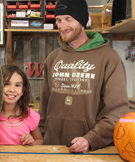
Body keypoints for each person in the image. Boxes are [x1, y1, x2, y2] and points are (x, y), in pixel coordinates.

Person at [38, 0, 129, 153]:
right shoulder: (53, 58)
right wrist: (41, 137)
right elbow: (44, 106)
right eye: (58, 20)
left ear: (82, 21)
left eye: (68, 19)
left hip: (92, 150)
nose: (62, 26)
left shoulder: (109, 58)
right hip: (52, 149)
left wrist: (91, 139)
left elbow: (117, 112)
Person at [0, 64, 43, 145]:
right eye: (6, 84)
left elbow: (40, 140)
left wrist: (32, 142)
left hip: (21, 157)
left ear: (23, 90)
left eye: (17, 85)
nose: (12, 90)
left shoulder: (29, 114)